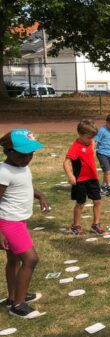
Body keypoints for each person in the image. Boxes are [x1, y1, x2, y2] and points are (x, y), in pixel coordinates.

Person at [0, 129, 48, 319]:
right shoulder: (3, 172)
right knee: (30, 259)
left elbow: (24, 185)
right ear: (8, 152)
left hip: (18, 220)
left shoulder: (21, 167)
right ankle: (18, 305)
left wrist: (40, 195)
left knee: (14, 260)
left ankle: (13, 297)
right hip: (8, 222)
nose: (27, 157)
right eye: (22, 154)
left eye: (31, 153)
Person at [63, 120, 103, 235]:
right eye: (89, 137)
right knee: (80, 204)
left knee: (98, 201)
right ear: (80, 134)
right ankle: (75, 226)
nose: (91, 140)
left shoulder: (91, 142)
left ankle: (96, 224)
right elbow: (66, 163)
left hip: (93, 178)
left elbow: (93, 146)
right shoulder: (75, 147)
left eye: (92, 138)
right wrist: (71, 176)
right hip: (80, 180)